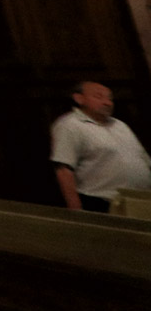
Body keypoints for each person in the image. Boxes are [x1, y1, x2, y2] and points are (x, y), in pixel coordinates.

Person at [52, 80, 151, 212]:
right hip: (102, 202)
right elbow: (64, 169)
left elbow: (143, 159)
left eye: (110, 98)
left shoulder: (119, 125)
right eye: (98, 97)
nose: (107, 103)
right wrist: (76, 210)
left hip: (140, 200)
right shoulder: (70, 125)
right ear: (79, 98)